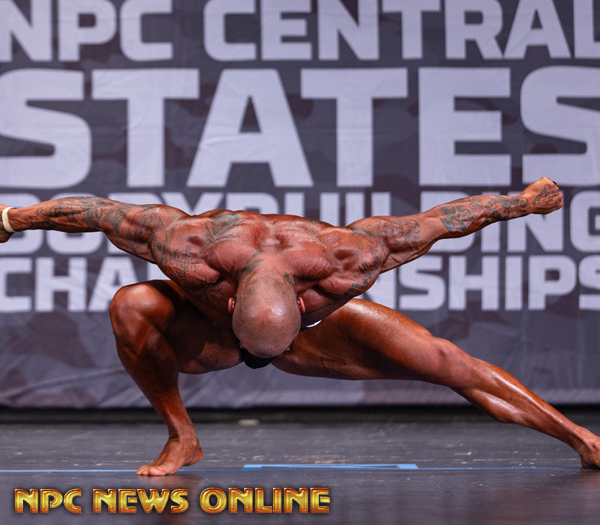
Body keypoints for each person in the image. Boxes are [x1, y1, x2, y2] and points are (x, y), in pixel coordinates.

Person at [1, 177, 599, 475]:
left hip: (299, 329)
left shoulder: (351, 257)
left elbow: (447, 217)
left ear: (304, 302)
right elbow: (96, 212)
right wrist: (12, 218)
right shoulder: (186, 246)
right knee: (131, 303)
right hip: (204, 333)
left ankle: (582, 439)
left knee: (447, 361)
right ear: (230, 304)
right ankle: (183, 437)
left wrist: (525, 201)